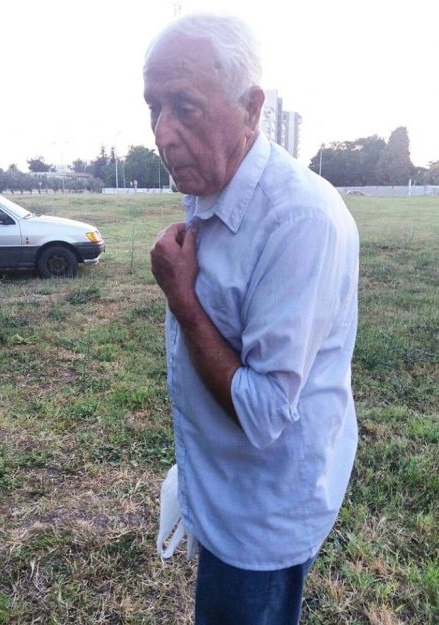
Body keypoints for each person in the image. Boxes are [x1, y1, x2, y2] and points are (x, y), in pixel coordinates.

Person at [144, 13, 359, 625]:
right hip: (223, 487)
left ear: (251, 109)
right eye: (153, 108)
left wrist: (184, 303)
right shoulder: (215, 185)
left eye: (184, 107)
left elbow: (264, 412)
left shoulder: (298, 221)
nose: (163, 133)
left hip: (262, 518)